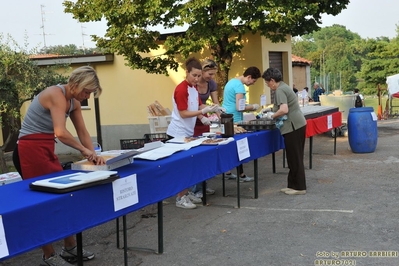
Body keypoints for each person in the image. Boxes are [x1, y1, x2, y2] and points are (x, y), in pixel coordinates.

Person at [12, 66, 104, 265]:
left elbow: (83, 132)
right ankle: (48, 256)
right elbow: (60, 132)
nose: (87, 96)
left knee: (63, 198)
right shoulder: (56, 94)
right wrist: (83, 150)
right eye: (86, 91)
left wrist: (94, 155)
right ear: (75, 84)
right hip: (29, 150)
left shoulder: (74, 102)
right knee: (43, 203)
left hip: (45, 149)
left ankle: (69, 247)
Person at [166, 57, 222, 209]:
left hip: (188, 132)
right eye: (194, 76)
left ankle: (186, 192)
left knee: (190, 164)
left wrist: (210, 110)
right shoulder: (181, 89)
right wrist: (202, 112)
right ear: (187, 73)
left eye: (198, 76)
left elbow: (197, 105)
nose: (197, 79)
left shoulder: (194, 88)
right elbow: (184, 113)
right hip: (178, 133)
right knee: (182, 166)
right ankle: (180, 197)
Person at [262, 68, 307, 195]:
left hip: (293, 126)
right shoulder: (284, 86)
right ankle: (292, 185)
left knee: (295, 157)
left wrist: (271, 116)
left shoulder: (279, 90)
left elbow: (284, 109)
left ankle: (299, 187)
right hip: (297, 124)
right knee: (293, 156)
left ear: (272, 80)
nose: (268, 85)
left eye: (267, 83)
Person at [222, 66, 261, 182]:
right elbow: (240, 107)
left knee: (229, 146)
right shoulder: (240, 87)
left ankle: (228, 171)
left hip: (226, 117)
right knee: (239, 147)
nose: (253, 84)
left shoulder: (231, 82)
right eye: (253, 81)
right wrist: (253, 106)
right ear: (249, 77)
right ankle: (241, 175)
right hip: (235, 119)